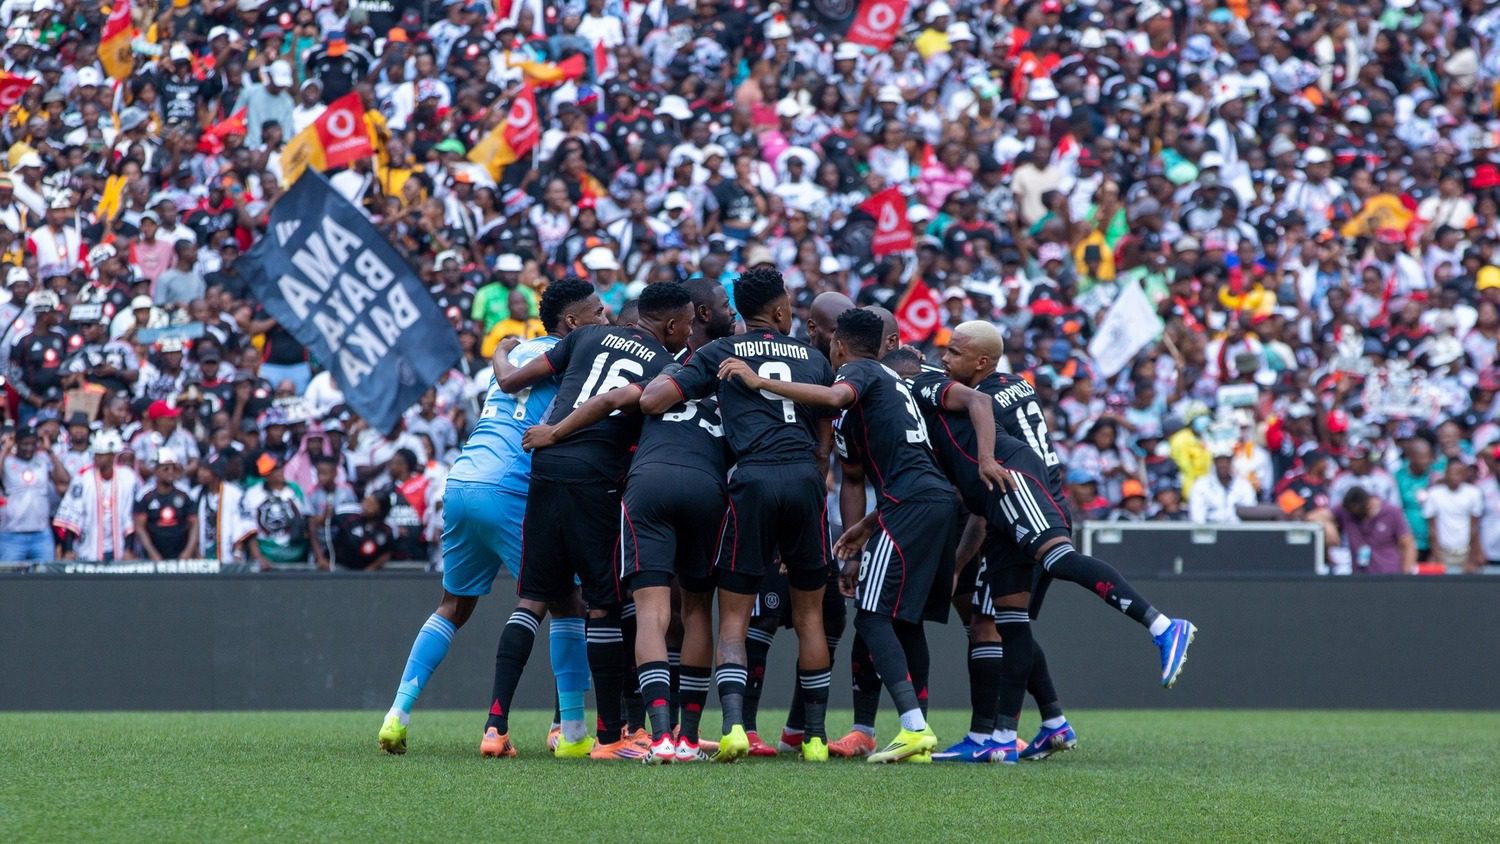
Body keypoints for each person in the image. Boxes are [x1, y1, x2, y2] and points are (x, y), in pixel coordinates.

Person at [718, 308, 1005, 763]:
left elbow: (833, 399)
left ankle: (913, 728)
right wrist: (867, 525)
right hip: (930, 503)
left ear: (839, 347)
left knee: (872, 617)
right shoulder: (894, 381)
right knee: (904, 622)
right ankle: (918, 731)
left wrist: (759, 382)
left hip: (911, 506)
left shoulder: (860, 370)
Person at [377, 278, 605, 757]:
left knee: (453, 606)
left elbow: (505, 381)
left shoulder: (519, 353)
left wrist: (499, 352)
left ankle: (396, 716)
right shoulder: (579, 356)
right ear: (573, 323)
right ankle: (572, 732)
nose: (604, 321)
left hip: (462, 481)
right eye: (598, 313)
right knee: (566, 601)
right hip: (510, 486)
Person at [520, 276, 737, 763]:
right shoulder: (722, 376)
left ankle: (647, 732)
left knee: (639, 609)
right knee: (689, 610)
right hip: (703, 486)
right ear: (688, 321)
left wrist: (554, 432)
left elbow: (614, 400)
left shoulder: (661, 372)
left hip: (640, 487)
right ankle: (679, 733)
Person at [638, 267, 837, 762]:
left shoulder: (721, 352)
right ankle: (814, 738)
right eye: (790, 303)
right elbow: (826, 441)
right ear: (777, 310)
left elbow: (656, 399)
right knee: (810, 615)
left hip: (752, 482)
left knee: (733, 619)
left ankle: (732, 729)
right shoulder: (813, 358)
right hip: (805, 481)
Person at [54, 430, 138, 563]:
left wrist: (129, 549)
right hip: (89, 546)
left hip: (118, 546)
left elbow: (129, 517)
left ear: (112, 456)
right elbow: (71, 515)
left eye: (102, 455)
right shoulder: (83, 477)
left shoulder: (127, 477)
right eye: (96, 455)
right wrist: (68, 550)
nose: (97, 458)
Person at [0, 425, 69, 561]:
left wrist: (50, 452)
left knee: (44, 580)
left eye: (32, 443)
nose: (29, 448)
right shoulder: (7, 462)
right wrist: (5, 449)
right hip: (12, 536)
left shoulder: (42, 461)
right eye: (25, 443)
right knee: (9, 580)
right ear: (17, 443)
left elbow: (64, 482)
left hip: (41, 534)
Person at [241, 452, 310, 569]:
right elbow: (249, 529)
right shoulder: (252, 494)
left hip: (295, 552)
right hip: (266, 552)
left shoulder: (295, 489)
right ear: (266, 474)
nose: (280, 471)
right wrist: (258, 557)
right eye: (275, 469)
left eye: (281, 467)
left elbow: (309, 521)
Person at [1333, 486, 1416, 575]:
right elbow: (1321, 515)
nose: (1356, 517)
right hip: (1360, 579)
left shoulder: (1392, 512)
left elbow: (1408, 545)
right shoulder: (1347, 512)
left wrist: (1405, 576)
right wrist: (1330, 528)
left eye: (1358, 513)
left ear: (1368, 505)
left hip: (1389, 576)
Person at [133, 448, 198, 561]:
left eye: (173, 468)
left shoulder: (185, 493)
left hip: (181, 554)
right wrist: (152, 553)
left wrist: (188, 551)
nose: (170, 472)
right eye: (166, 469)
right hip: (153, 556)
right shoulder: (144, 495)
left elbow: (194, 524)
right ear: (156, 470)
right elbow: (140, 527)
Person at [1423, 460, 1484, 574]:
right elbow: (1432, 529)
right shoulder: (1434, 494)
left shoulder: (1474, 493)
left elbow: (1475, 527)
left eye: (1459, 473)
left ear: (1465, 474)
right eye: (1452, 472)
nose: (1455, 476)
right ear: (1446, 473)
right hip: (1443, 551)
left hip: (1465, 551)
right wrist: (1437, 555)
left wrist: (1472, 557)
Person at [1190, 447, 1258, 523]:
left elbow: (1251, 514)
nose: (1223, 465)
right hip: (1211, 531)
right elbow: (1197, 518)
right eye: (1220, 461)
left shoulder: (1244, 486)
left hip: (1238, 531)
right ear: (1214, 462)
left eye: (1227, 461)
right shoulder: (1201, 486)